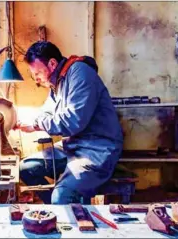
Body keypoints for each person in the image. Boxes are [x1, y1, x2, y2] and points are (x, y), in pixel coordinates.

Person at [15, 41, 123, 204]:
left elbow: (73, 121)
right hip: (71, 146)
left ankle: (66, 211)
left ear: (52, 63)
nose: (36, 79)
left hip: (96, 150)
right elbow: (47, 111)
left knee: (62, 196)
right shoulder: (57, 83)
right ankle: (57, 208)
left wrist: (37, 124)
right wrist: (31, 122)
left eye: (37, 73)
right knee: (25, 169)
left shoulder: (80, 73)